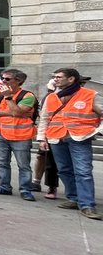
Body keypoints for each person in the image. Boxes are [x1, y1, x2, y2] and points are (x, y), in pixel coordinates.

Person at [38, 67, 101, 220]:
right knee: (64, 170)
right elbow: (44, 118)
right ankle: (74, 198)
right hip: (56, 138)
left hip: (80, 138)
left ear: (71, 79)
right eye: (54, 77)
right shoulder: (51, 97)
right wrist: (41, 138)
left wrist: (98, 131)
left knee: (83, 171)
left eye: (59, 77)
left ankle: (87, 205)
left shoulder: (90, 94)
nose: (55, 79)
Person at [0, 69, 37, 201]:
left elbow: (18, 112)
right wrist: (13, 112)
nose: (3, 81)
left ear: (18, 81)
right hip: (0, 134)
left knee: (24, 165)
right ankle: (4, 187)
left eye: (7, 79)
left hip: (21, 136)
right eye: (2, 78)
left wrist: (8, 97)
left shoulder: (28, 96)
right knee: (2, 163)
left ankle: (25, 190)